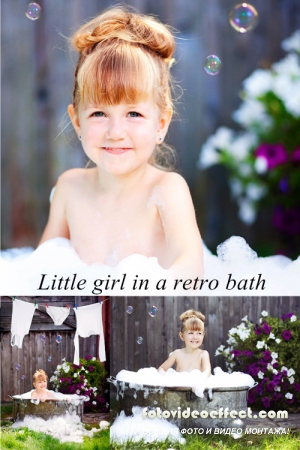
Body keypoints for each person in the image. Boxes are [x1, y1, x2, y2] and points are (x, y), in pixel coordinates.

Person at [39, 6, 203, 278]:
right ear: (77, 121)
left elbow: (192, 268)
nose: (115, 132)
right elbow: (40, 273)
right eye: (99, 113)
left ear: (160, 123)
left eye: (134, 114)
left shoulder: (166, 190)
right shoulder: (69, 188)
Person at [158, 309, 211, 375]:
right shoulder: (177, 354)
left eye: (199, 333)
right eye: (191, 333)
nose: (195, 337)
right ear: (182, 336)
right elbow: (161, 368)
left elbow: (207, 371)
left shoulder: (203, 354)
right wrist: (167, 377)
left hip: (196, 385)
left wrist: (203, 378)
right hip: (179, 385)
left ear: (203, 335)